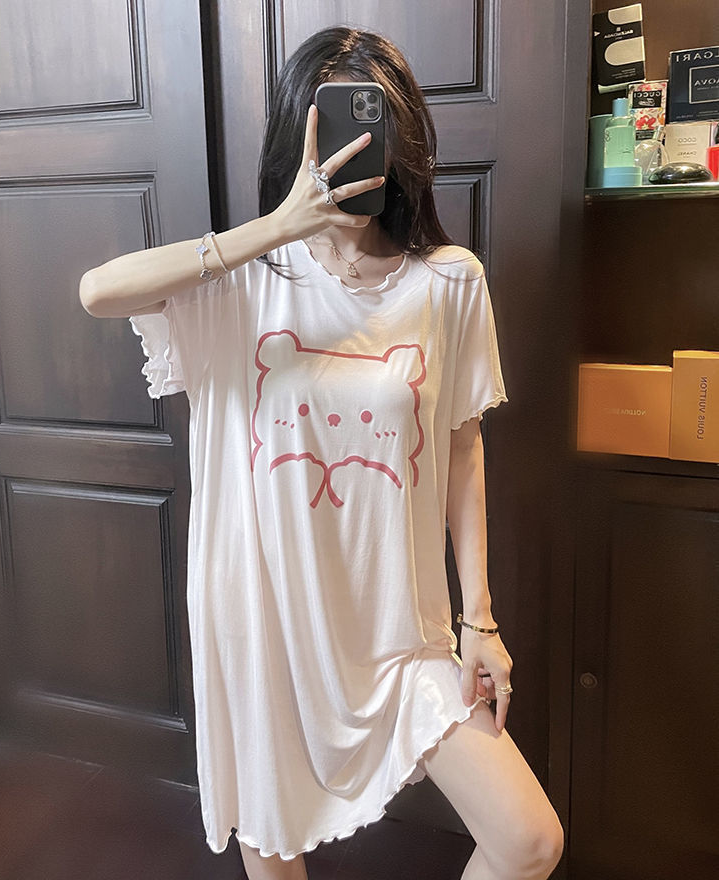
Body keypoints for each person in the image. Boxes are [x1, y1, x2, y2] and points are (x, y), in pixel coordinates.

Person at [79, 25, 564, 880]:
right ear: (291, 143)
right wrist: (273, 229)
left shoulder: (449, 282)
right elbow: (97, 291)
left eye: (370, 131)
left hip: (399, 633)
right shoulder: (238, 284)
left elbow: (462, 448)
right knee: (276, 847)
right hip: (265, 626)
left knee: (529, 840)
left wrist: (478, 619)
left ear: (402, 144)